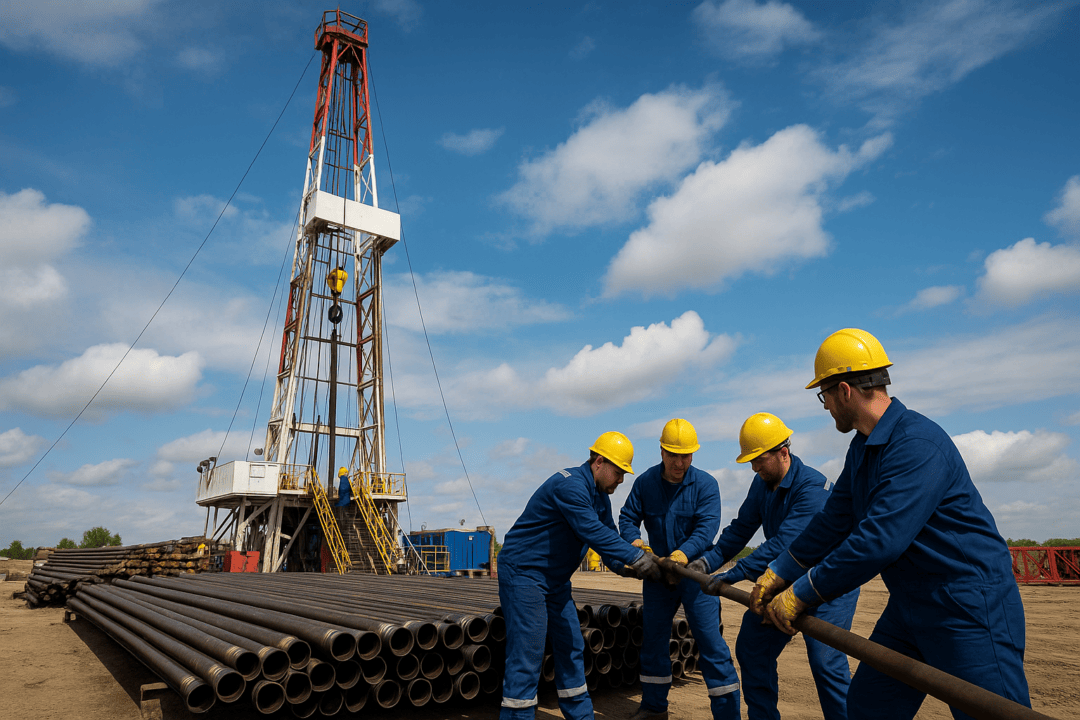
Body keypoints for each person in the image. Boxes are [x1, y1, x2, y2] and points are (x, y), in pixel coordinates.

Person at [751, 328, 1030, 720]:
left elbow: (878, 541)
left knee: (990, 714)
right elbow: (835, 520)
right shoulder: (863, 447)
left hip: (966, 603)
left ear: (845, 391)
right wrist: (779, 571)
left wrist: (802, 592)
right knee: (869, 708)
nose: (826, 406)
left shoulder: (916, 444)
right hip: (910, 604)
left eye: (825, 396)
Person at [694, 412, 859, 720]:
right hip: (784, 579)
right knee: (752, 646)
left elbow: (785, 543)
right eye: (751, 461)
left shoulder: (811, 490)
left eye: (759, 459)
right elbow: (741, 529)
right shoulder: (762, 484)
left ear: (784, 453)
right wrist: (707, 562)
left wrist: (736, 572)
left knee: (826, 662)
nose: (754, 467)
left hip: (828, 585)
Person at [497, 431, 662, 720]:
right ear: (599, 462)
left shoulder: (600, 497)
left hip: (555, 581)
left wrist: (629, 568)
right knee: (528, 653)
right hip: (525, 575)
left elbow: (609, 538)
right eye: (619, 472)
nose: (621, 480)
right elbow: (592, 532)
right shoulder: (571, 486)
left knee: (571, 644)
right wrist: (635, 556)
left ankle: (581, 716)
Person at [619, 418, 741, 720]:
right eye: (673, 454)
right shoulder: (646, 483)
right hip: (658, 576)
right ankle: (653, 708)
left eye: (685, 455)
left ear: (693, 454)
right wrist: (636, 543)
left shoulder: (706, 485)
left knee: (711, 644)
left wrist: (681, 556)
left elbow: (706, 528)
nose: (679, 462)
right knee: (654, 642)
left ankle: (727, 715)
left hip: (694, 576)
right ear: (661, 452)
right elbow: (626, 517)